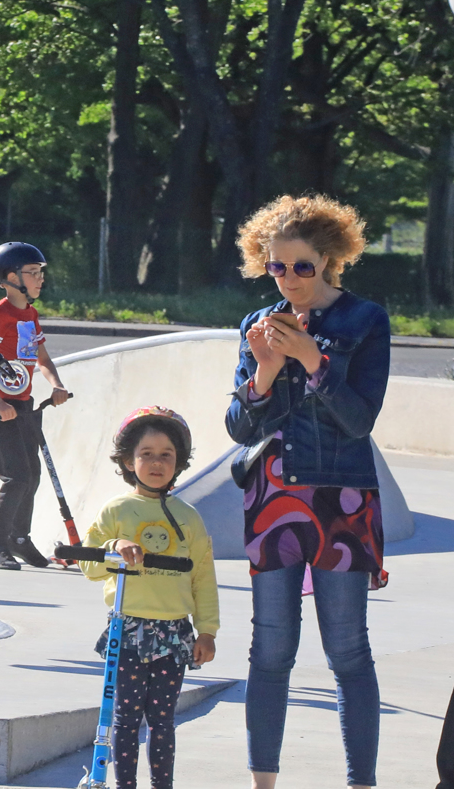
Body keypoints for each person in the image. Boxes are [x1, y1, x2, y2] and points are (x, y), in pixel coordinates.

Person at [225, 195, 390, 789]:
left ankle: (359, 783)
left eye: (301, 266)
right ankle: (263, 783)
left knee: (347, 652)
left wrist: (314, 361)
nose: (288, 278)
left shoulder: (365, 321)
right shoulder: (256, 324)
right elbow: (239, 429)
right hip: (272, 503)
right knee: (270, 654)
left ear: (328, 259)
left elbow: (359, 421)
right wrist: (265, 371)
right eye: (276, 267)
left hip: (342, 501)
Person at [80, 407, 219, 789]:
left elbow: (203, 578)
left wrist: (207, 630)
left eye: (166, 454)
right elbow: (89, 566)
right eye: (146, 454)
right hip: (129, 628)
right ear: (128, 460)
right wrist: (114, 545)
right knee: (125, 717)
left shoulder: (189, 517)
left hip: (174, 633)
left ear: (179, 462)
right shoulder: (117, 510)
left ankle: (162, 785)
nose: (156, 462)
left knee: (162, 719)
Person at [0, 242, 70, 570]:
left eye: (40, 273)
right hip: (1, 407)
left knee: (32, 475)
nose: (39, 279)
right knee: (15, 476)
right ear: (10, 278)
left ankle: (19, 539)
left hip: (25, 405)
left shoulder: (30, 314)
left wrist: (56, 384)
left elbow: (41, 358)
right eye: (32, 273)